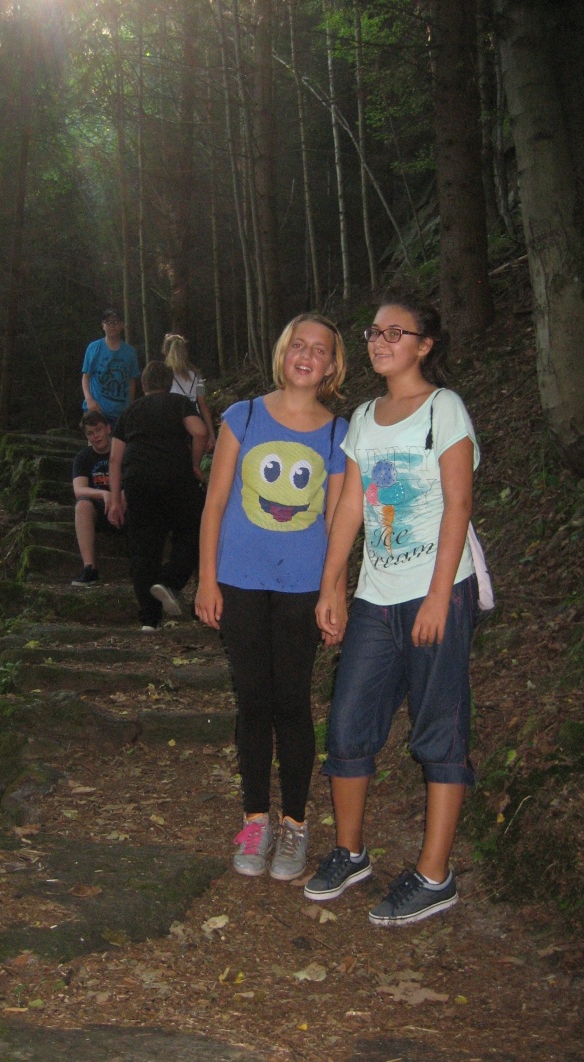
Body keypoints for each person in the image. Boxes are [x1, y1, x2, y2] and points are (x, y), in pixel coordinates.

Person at [306, 291, 479, 926]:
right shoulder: (363, 416)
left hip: (439, 591)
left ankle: (435, 875)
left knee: (439, 729)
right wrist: (332, 585)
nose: (380, 342)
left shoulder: (444, 408)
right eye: (375, 333)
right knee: (349, 723)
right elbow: (351, 506)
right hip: (376, 597)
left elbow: (459, 504)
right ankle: (350, 853)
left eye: (394, 333)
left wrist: (437, 595)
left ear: (424, 345)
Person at [195, 314, 348, 882]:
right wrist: (207, 579)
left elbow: (337, 524)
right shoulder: (243, 416)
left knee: (292, 702)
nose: (307, 355)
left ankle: (295, 823)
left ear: (331, 365)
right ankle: (255, 818)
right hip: (239, 579)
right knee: (253, 700)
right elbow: (214, 503)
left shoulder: (338, 434)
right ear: (284, 353)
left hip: (302, 586)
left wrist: (336, 595)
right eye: (298, 345)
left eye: (320, 349)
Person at [108, 360, 207, 631]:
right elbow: (199, 431)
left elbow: (115, 459)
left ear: (143, 385)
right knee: (194, 529)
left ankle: (149, 620)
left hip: (138, 480)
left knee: (144, 547)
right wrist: (194, 464)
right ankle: (169, 581)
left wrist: (115, 500)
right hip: (176, 476)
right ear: (170, 383)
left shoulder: (130, 411)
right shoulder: (179, 403)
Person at [70, 411, 123, 586]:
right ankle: (90, 568)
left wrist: (117, 499)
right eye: (90, 433)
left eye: (98, 430)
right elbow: (79, 489)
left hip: (124, 508)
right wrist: (104, 494)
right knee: (82, 505)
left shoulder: (123, 452)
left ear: (108, 429)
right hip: (99, 511)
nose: (96, 436)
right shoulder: (83, 457)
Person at [81, 307, 140, 424]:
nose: (112, 326)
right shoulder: (94, 348)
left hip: (120, 413)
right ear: (103, 325)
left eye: (115, 322)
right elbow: (86, 376)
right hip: (96, 411)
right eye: (108, 322)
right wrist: (89, 399)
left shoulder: (130, 352)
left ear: (122, 325)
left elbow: (131, 381)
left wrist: (130, 406)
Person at [162, 333, 217, 452]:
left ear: (166, 352)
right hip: (195, 424)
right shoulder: (196, 374)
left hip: (172, 425)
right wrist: (211, 435)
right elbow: (203, 405)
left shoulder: (164, 375)